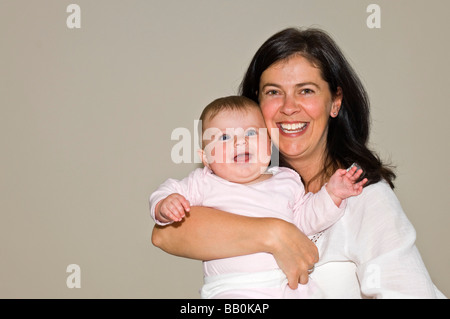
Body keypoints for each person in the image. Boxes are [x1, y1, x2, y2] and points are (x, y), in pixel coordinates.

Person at [151, 27, 446, 298]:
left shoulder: (365, 198)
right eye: (273, 92)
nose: (289, 108)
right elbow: (165, 234)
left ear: (335, 101)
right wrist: (275, 233)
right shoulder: (236, 182)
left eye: (306, 90)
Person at [150, 96, 367, 298]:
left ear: (268, 144)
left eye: (251, 133)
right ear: (205, 157)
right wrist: (164, 204)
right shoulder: (204, 182)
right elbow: (168, 190)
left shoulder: (287, 180)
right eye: (225, 137)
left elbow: (305, 219)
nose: (240, 142)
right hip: (232, 287)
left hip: (288, 282)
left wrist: (332, 194)